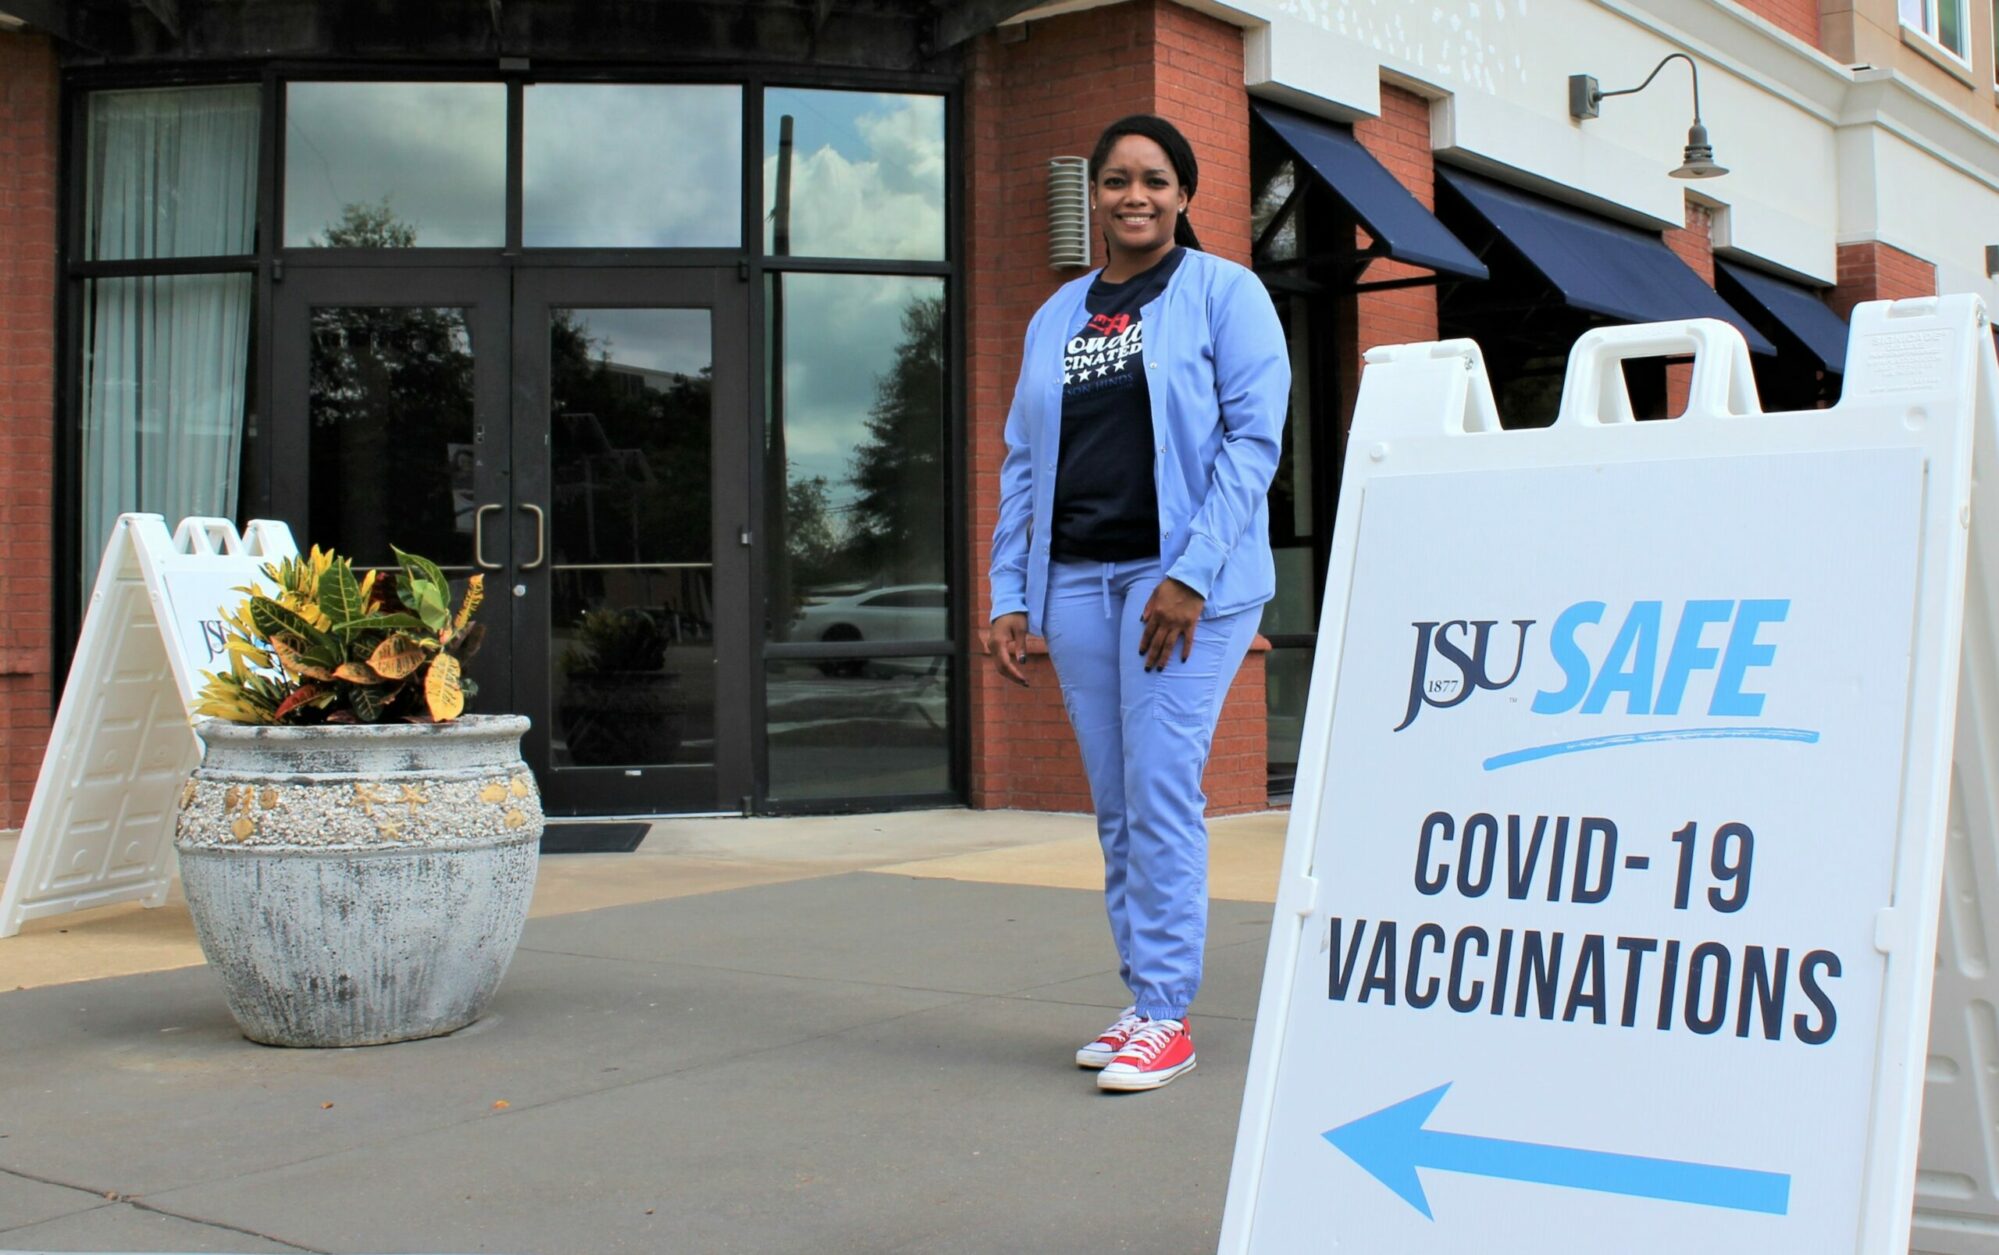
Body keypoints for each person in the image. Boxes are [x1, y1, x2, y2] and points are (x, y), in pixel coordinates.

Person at [988, 115, 1288, 1092]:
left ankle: (1167, 1012)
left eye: (1154, 180)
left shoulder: (1224, 296)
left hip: (1181, 585)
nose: (1134, 196)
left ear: (1184, 195)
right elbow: (1026, 462)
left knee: (1160, 792)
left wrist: (1191, 573)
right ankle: (1143, 997)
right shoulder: (1056, 315)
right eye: (1116, 180)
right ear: (1096, 197)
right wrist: (1008, 592)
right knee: (1118, 806)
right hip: (1076, 581)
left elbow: (1253, 445)